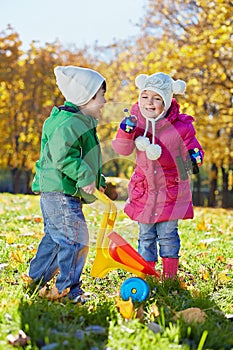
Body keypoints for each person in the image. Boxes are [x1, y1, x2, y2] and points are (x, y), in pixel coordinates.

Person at [112, 72, 204, 279]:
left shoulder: (181, 126)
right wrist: (126, 132)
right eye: (145, 96)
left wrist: (193, 157)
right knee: (145, 236)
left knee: (168, 235)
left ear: (168, 100)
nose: (149, 103)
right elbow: (123, 149)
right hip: (144, 191)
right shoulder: (136, 122)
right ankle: (148, 274)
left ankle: (170, 276)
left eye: (157, 98)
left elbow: (193, 150)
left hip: (171, 192)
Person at [28, 65, 107, 302]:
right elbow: (64, 156)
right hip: (59, 192)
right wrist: (84, 177)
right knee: (75, 239)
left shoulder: (79, 122)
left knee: (55, 238)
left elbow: (87, 157)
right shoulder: (67, 123)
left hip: (62, 191)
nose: (104, 102)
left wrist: (97, 180)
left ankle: (37, 279)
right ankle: (69, 289)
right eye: (101, 96)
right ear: (87, 97)